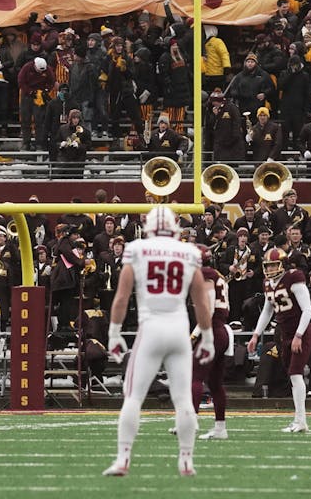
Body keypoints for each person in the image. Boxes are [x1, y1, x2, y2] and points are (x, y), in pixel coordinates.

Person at [103, 204, 214, 477]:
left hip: (151, 328)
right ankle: (186, 461)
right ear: (175, 228)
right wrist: (208, 337)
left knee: (133, 397)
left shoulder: (138, 249)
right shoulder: (188, 252)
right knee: (183, 400)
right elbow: (201, 300)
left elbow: (121, 297)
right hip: (179, 329)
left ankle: (123, 458)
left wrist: (114, 333)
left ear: (149, 227)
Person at [246, 246, 311, 433]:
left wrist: (299, 335)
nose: (270, 270)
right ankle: (299, 419)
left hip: (300, 333)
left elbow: (308, 309)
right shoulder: (268, 284)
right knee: (292, 375)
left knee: (295, 373)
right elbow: (268, 310)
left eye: (273, 265)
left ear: (282, 264)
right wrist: (255, 334)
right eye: (267, 266)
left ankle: (301, 421)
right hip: (284, 335)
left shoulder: (294, 278)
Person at [192, 245, 232, 440]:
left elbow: (206, 309)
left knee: (195, 376)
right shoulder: (217, 275)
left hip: (212, 331)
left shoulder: (205, 274)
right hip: (220, 331)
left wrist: (194, 335)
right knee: (215, 382)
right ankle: (220, 428)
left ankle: (189, 423)